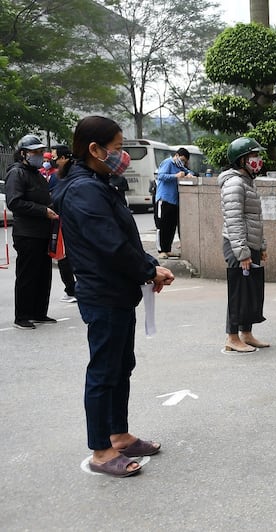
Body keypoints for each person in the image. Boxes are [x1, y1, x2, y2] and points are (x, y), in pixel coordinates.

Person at [52, 115, 175, 477]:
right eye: (118, 148)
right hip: (102, 292)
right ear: (94, 149)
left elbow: (125, 237)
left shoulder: (98, 181)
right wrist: (149, 270)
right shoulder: (82, 190)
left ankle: (119, 435)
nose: (123, 156)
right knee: (104, 371)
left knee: (122, 367)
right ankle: (101, 451)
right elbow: (110, 244)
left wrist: (149, 263)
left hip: (117, 290)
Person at [218, 137, 270, 352]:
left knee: (251, 290)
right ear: (241, 160)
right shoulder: (234, 184)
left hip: (250, 244)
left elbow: (254, 218)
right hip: (238, 245)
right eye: (253, 156)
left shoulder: (248, 182)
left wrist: (261, 245)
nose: (257, 160)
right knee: (239, 291)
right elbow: (234, 219)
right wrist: (242, 252)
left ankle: (246, 334)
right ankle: (232, 337)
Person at [5, 134, 58, 329]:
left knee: (44, 274)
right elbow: (15, 202)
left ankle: (39, 312)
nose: (38, 156)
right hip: (27, 233)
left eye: (39, 152)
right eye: (34, 152)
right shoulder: (16, 173)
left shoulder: (36, 174)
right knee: (28, 275)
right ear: (23, 154)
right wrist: (43, 211)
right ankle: (23, 315)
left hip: (43, 231)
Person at [49, 144, 78, 303]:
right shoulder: (59, 174)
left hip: (67, 222)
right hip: (65, 220)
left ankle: (72, 290)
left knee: (65, 257)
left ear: (63, 158)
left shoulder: (66, 175)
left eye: (54, 157)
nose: (51, 161)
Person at [155, 147, 192, 259]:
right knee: (162, 225)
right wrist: (175, 176)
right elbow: (160, 176)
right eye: (182, 159)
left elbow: (188, 171)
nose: (183, 162)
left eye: (185, 161)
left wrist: (189, 174)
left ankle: (168, 249)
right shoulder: (168, 162)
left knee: (171, 226)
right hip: (164, 198)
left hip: (174, 200)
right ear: (176, 155)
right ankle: (161, 250)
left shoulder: (179, 166)